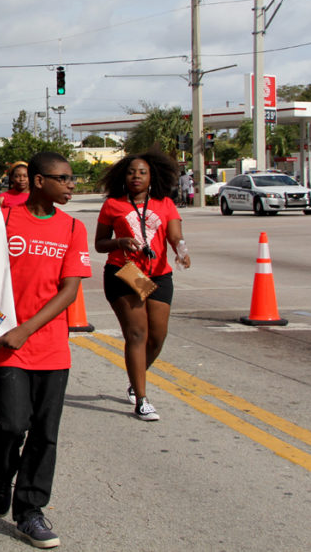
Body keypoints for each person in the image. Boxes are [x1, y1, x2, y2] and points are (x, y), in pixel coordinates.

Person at [0, 151, 91, 549]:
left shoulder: (72, 227)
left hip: (47, 345)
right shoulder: (5, 219)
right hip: (8, 345)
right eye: (63, 178)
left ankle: (29, 510)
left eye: (72, 178)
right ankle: (1, 472)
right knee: (13, 424)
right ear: (38, 180)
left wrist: (26, 329)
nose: (70, 184)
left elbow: (69, 292)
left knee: (45, 432)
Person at [95, 152, 188, 422]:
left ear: (152, 177)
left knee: (157, 337)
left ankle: (136, 381)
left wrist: (181, 251)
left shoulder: (165, 203)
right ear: (123, 177)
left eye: (142, 172)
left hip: (158, 274)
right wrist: (119, 242)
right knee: (137, 334)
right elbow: (100, 243)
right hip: (125, 272)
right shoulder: (113, 205)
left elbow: (175, 235)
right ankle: (142, 399)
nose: (136, 176)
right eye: (131, 172)